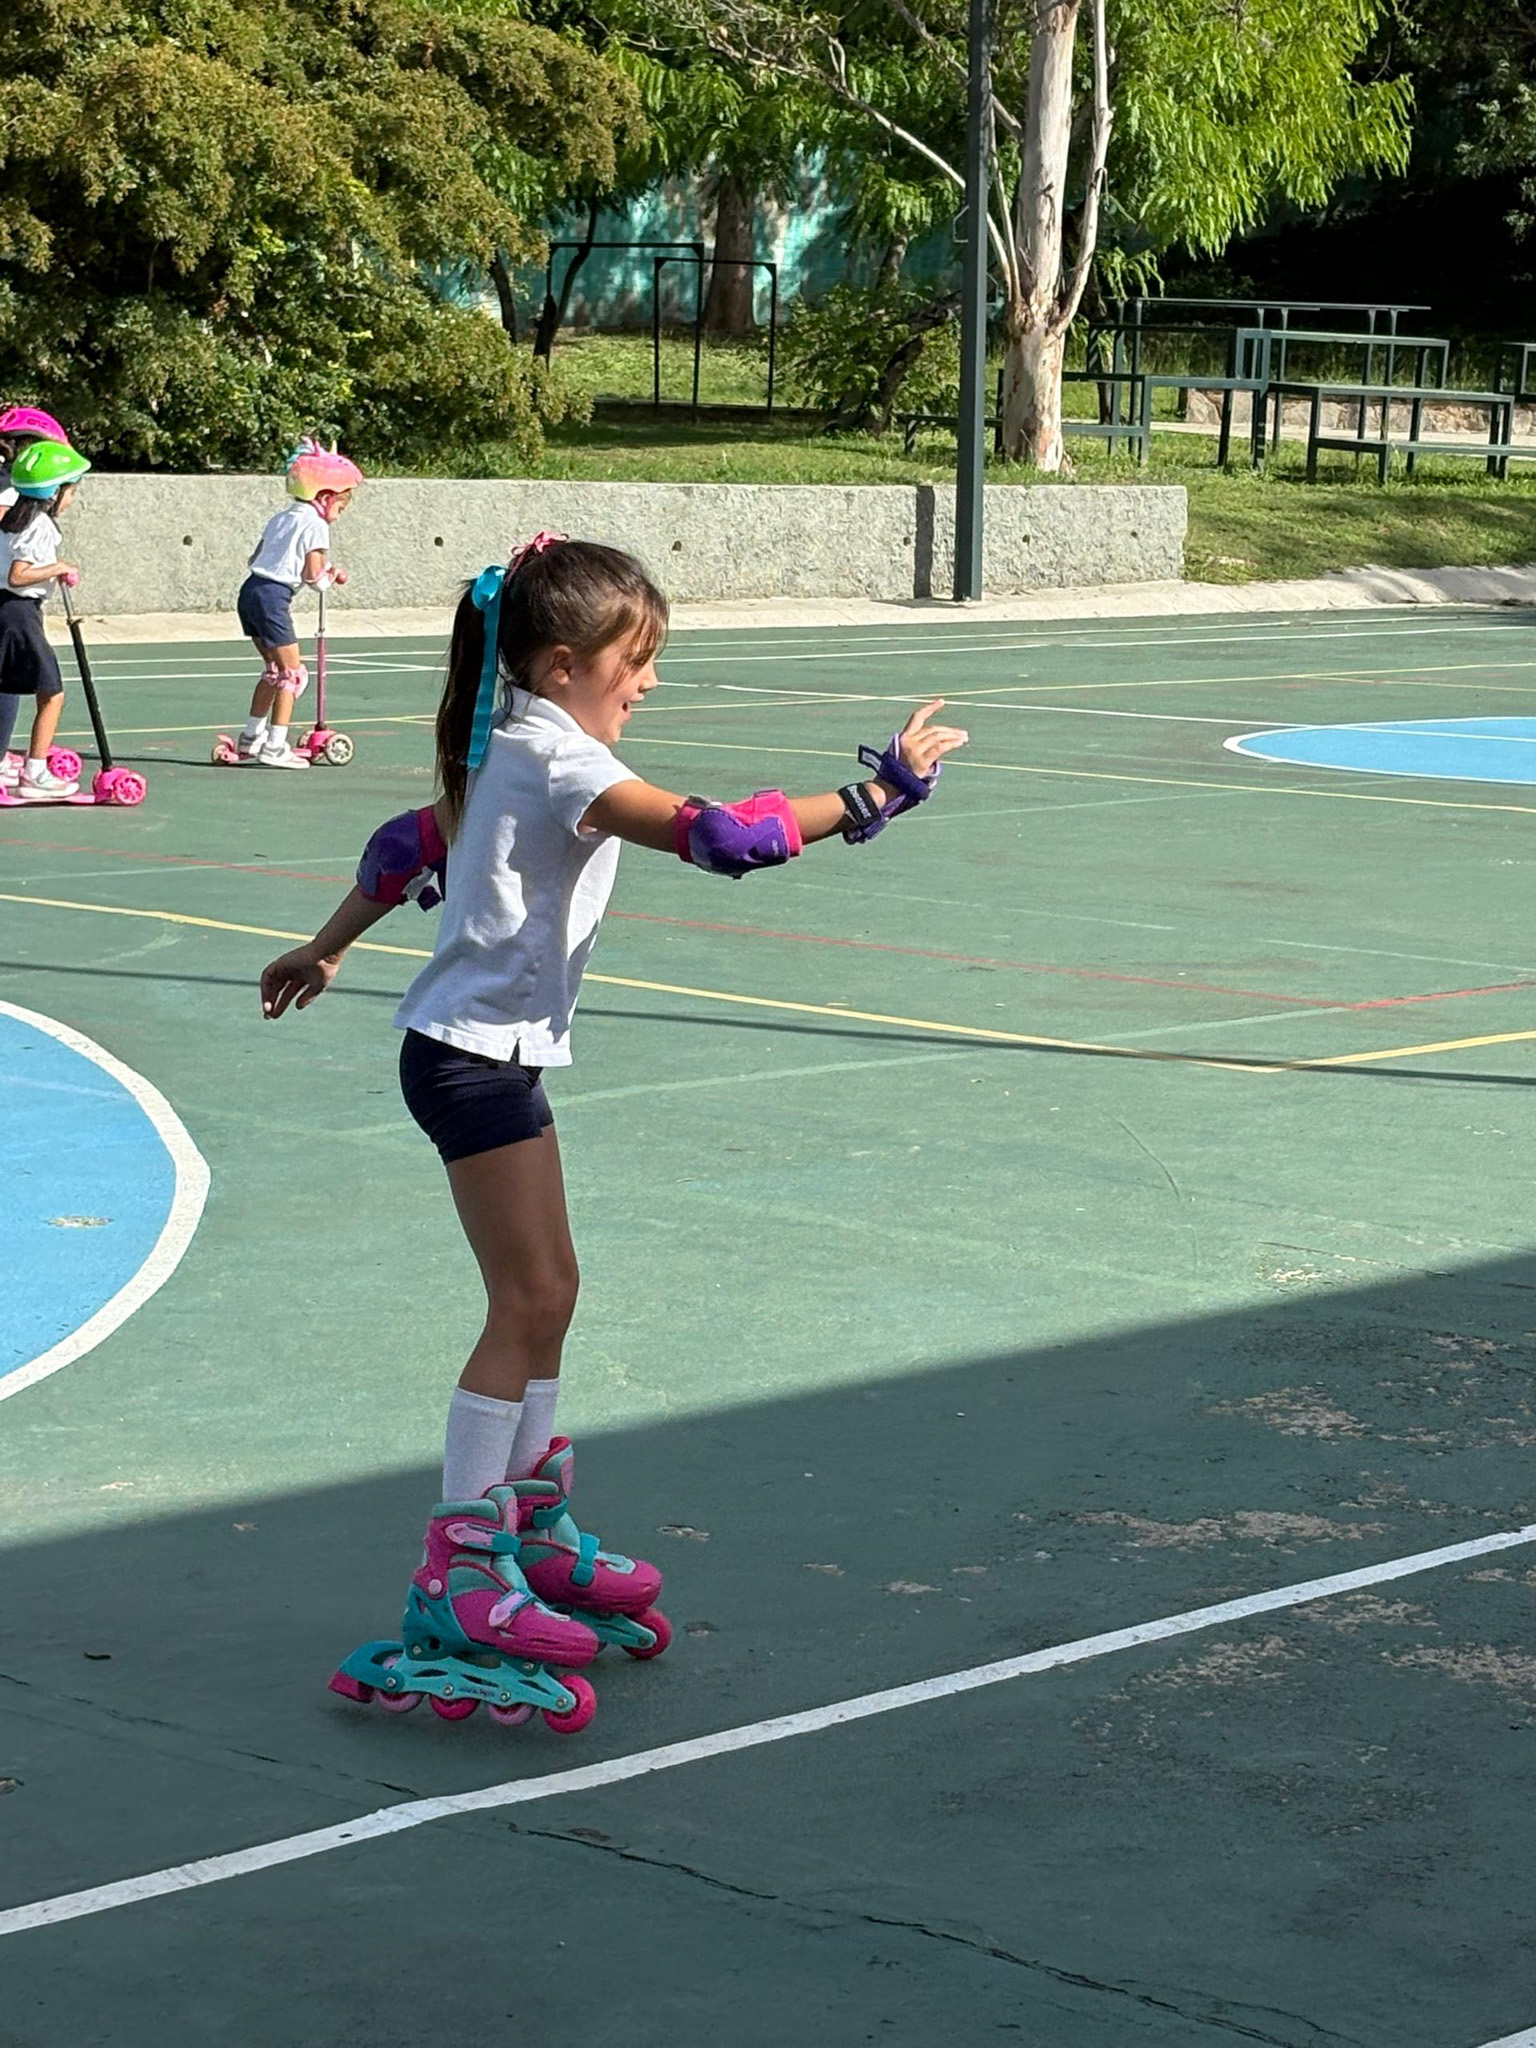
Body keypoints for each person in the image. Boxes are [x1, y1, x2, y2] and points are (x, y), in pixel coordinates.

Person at [258, 533, 969, 1722]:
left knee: (554, 1290)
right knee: (527, 1299)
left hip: (484, 1058)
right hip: (472, 1062)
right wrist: (876, 794)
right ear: (561, 663)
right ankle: (460, 1566)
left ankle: (526, 1523)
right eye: (634, 660)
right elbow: (726, 837)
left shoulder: (505, 744)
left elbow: (404, 846)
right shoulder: (559, 760)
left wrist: (325, 945)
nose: (648, 681)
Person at [232, 437, 360, 768]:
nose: (338, 516)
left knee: (273, 671)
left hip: (251, 592)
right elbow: (313, 575)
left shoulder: (281, 517)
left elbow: (256, 558)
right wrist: (330, 577)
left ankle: (250, 737)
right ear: (326, 497)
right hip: (274, 597)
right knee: (293, 675)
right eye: (341, 508)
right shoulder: (316, 525)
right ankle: (275, 746)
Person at [0, 438, 91, 801]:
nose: (71, 500)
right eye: (71, 492)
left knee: (8, 685)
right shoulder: (39, 525)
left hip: (5, 610)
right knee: (51, 693)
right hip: (20, 613)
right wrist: (59, 567)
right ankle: (34, 773)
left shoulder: (10, 520)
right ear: (54, 493)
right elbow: (18, 575)